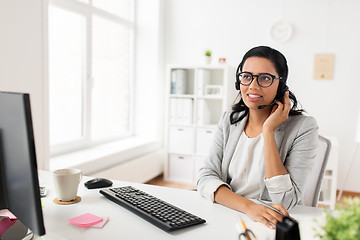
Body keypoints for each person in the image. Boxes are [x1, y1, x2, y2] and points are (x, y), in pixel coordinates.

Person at [197, 46, 318, 229]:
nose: (253, 86)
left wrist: (268, 131)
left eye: (265, 78)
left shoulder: (303, 127)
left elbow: (285, 200)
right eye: (247, 76)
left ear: (281, 86)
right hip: (228, 212)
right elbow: (206, 177)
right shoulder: (229, 121)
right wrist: (249, 207)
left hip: (268, 223)